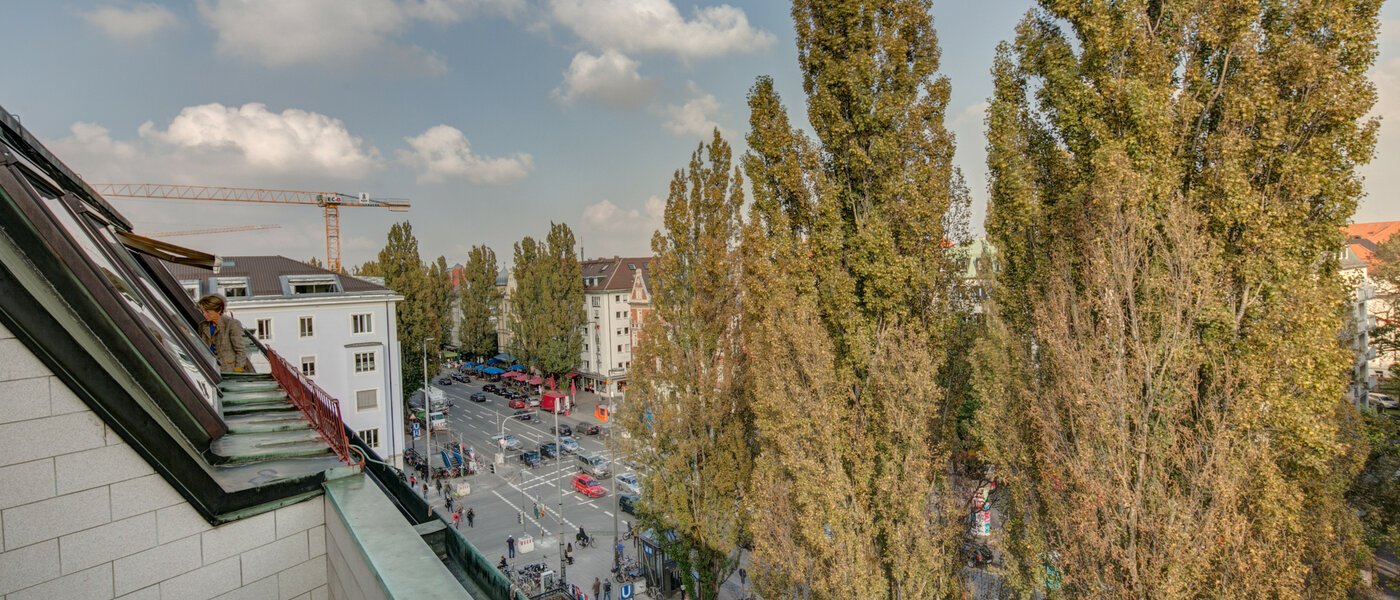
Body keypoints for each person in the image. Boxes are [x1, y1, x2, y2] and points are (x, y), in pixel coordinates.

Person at [197, 295, 252, 373]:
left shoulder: (232, 324)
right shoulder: (202, 326)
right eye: (203, 312)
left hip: (229, 371)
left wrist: (238, 372)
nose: (204, 314)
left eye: (208, 311)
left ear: (219, 310)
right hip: (210, 369)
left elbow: (241, 351)